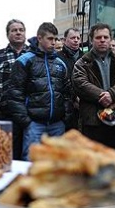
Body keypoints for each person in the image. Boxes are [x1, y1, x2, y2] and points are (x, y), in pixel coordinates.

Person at [6, 22, 72, 160]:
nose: (54, 42)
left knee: (58, 164)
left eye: (55, 39)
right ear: (39, 38)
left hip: (57, 123)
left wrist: (65, 117)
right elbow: (14, 93)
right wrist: (26, 121)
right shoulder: (24, 61)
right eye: (50, 39)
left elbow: (67, 92)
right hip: (34, 124)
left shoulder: (60, 63)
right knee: (31, 162)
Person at [72, 23, 115, 152]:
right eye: (98, 37)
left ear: (110, 39)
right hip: (93, 123)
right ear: (91, 40)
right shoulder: (82, 63)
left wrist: (112, 95)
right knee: (94, 163)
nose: (102, 40)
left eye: (105, 37)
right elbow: (80, 83)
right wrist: (102, 96)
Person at [0, 19, 29, 159]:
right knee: (7, 154)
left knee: (30, 155)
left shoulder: (34, 54)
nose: (18, 32)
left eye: (21, 30)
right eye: (14, 30)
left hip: (31, 112)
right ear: (7, 34)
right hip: (7, 114)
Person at [57, 27, 83, 130]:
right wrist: (73, 98)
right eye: (73, 38)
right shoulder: (57, 58)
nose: (76, 40)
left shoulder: (86, 57)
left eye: (78, 37)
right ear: (64, 40)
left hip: (83, 106)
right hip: (64, 107)